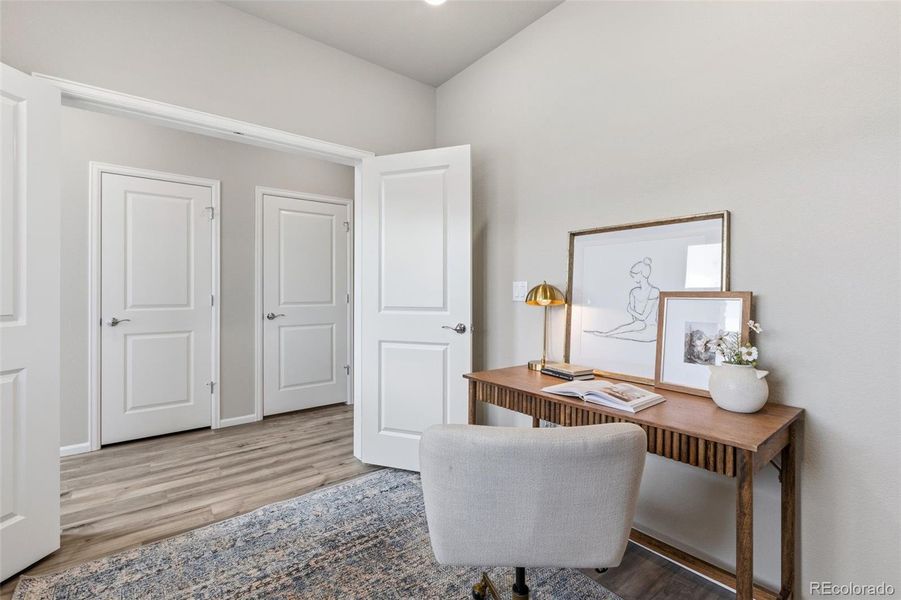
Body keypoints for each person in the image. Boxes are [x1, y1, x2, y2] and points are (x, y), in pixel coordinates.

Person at [585, 257, 659, 342]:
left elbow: (643, 317)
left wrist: (630, 310)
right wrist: (631, 311)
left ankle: (606, 334)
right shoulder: (633, 292)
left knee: (636, 327)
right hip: (639, 325)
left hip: (651, 330)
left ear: (641, 274)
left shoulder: (654, 291)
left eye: (634, 275)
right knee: (638, 325)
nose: (633, 278)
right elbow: (635, 320)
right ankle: (605, 334)